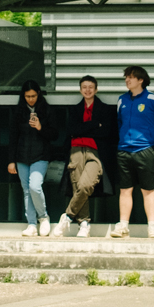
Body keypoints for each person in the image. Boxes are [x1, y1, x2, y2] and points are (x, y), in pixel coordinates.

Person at [108, 67, 154, 237]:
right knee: (125, 190)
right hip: (124, 151)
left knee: (148, 190)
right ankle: (123, 226)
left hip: (146, 150)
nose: (127, 80)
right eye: (126, 77)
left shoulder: (153, 98)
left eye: (131, 77)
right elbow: (119, 123)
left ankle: (152, 227)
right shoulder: (122, 99)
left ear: (141, 80)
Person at [58, 75, 116, 237]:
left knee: (85, 185)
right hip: (75, 151)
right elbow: (71, 130)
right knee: (77, 185)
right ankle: (84, 223)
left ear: (96, 90)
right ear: (80, 90)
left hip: (96, 152)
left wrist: (82, 128)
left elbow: (106, 132)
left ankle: (68, 215)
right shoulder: (74, 109)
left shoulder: (105, 109)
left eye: (91, 87)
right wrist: (94, 124)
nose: (87, 90)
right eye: (84, 87)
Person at [9, 80, 56, 236]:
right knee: (27, 190)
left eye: (33, 96)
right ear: (23, 96)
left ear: (39, 94)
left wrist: (40, 128)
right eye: (27, 96)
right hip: (21, 156)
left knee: (35, 186)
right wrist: (11, 160)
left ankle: (43, 217)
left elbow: (55, 134)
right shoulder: (18, 111)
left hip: (41, 155)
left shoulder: (46, 110)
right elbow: (13, 137)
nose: (30, 99)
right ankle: (31, 224)